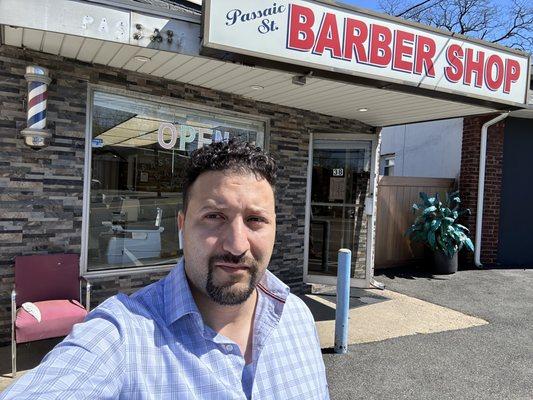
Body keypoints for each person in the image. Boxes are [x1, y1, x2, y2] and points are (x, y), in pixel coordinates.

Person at [1, 140, 329, 399]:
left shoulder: (297, 317)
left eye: (256, 220)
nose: (236, 244)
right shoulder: (123, 335)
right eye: (215, 217)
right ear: (182, 227)